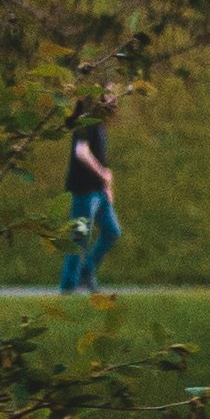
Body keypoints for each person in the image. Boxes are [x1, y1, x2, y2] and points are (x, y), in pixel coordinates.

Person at [58, 113, 121, 296]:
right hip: (84, 192)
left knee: (112, 231)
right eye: (109, 92)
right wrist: (103, 174)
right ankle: (69, 286)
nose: (113, 97)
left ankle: (86, 272)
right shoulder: (85, 122)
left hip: (99, 192)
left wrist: (107, 186)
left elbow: (99, 156)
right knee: (79, 237)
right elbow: (81, 152)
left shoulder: (99, 124)